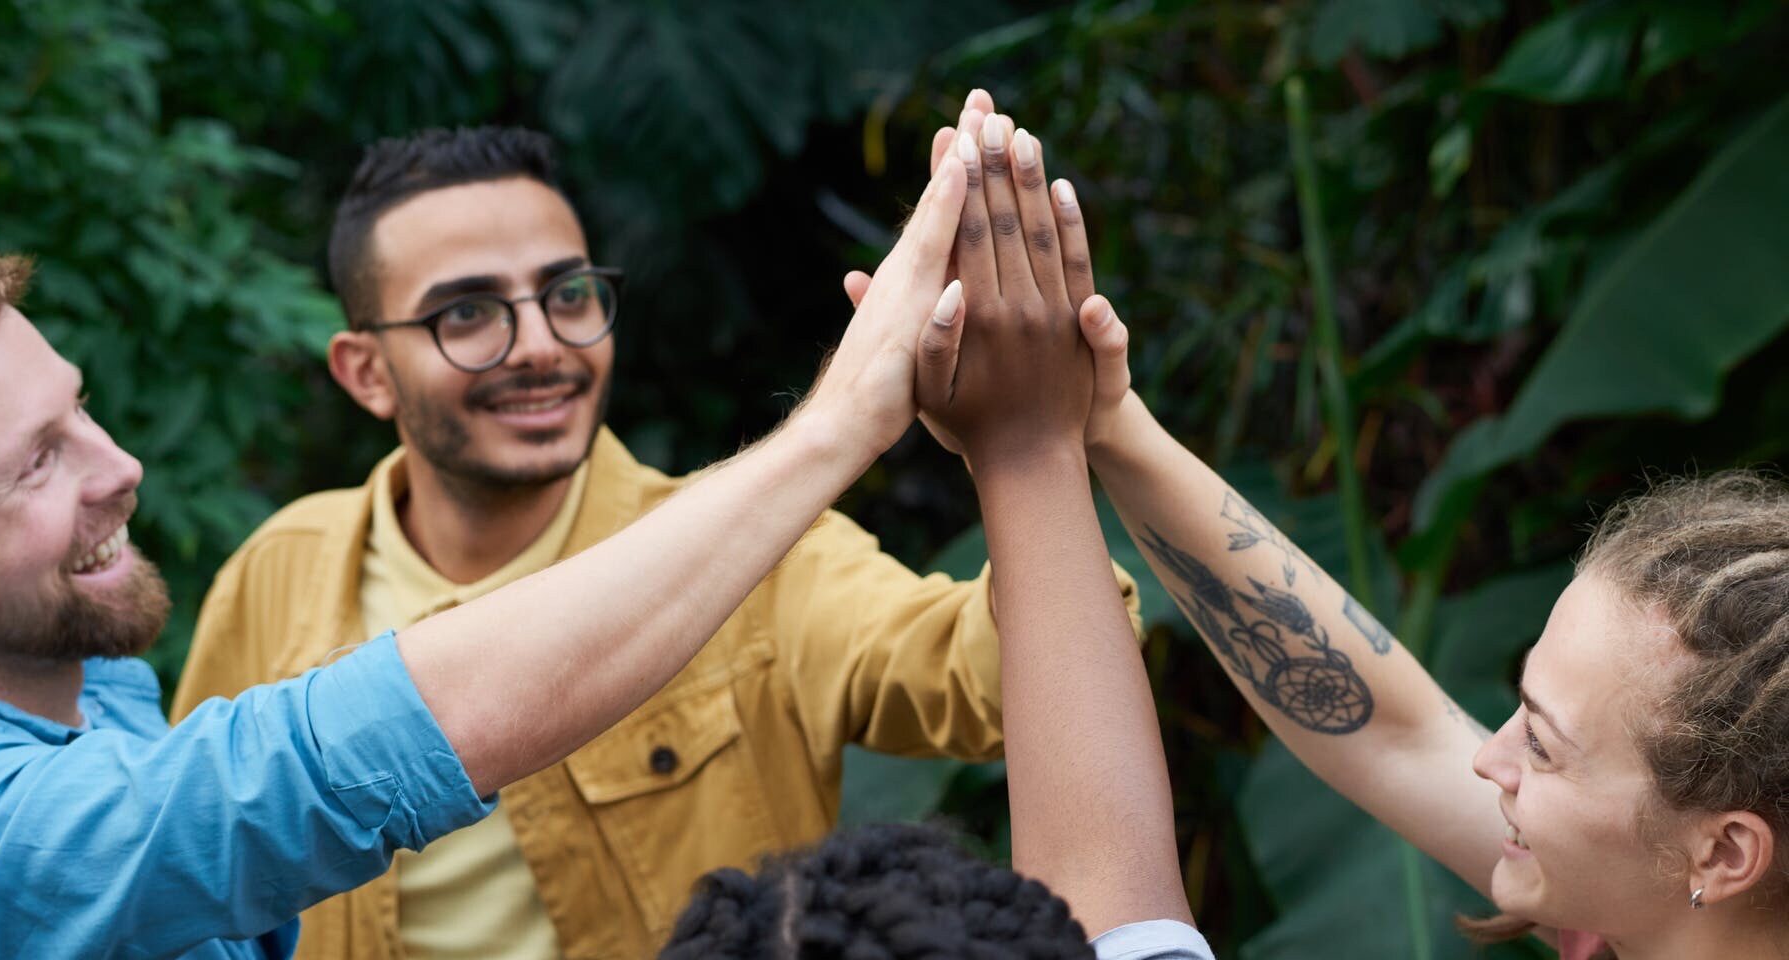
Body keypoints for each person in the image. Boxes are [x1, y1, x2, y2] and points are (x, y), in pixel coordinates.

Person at [0, 150, 981, 959]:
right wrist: (838, 423)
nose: (124, 468)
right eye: (36, 461)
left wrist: (1044, 437)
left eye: (83, 410)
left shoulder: (102, 689)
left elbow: (988, 674)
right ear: (363, 370)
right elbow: (285, 782)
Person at [169, 120, 1144, 958]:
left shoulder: (763, 553)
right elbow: (190, 876)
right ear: (364, 372)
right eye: (467, 312)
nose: (543, 345)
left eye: (568, 294)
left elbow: (990, 680)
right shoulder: (278, 573)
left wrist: (1018, 438)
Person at [1054, 163, 1789, 960]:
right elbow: (1390, 732)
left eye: (1542, 747)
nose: (1485, 757)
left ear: (1723, 855)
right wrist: (1109, 423)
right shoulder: (1633, 907)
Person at [661, 106, 1215, 960]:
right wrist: (1030, 444)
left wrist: (871, 422)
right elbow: (1118, 909)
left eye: (571, 290)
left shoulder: (780, 569)